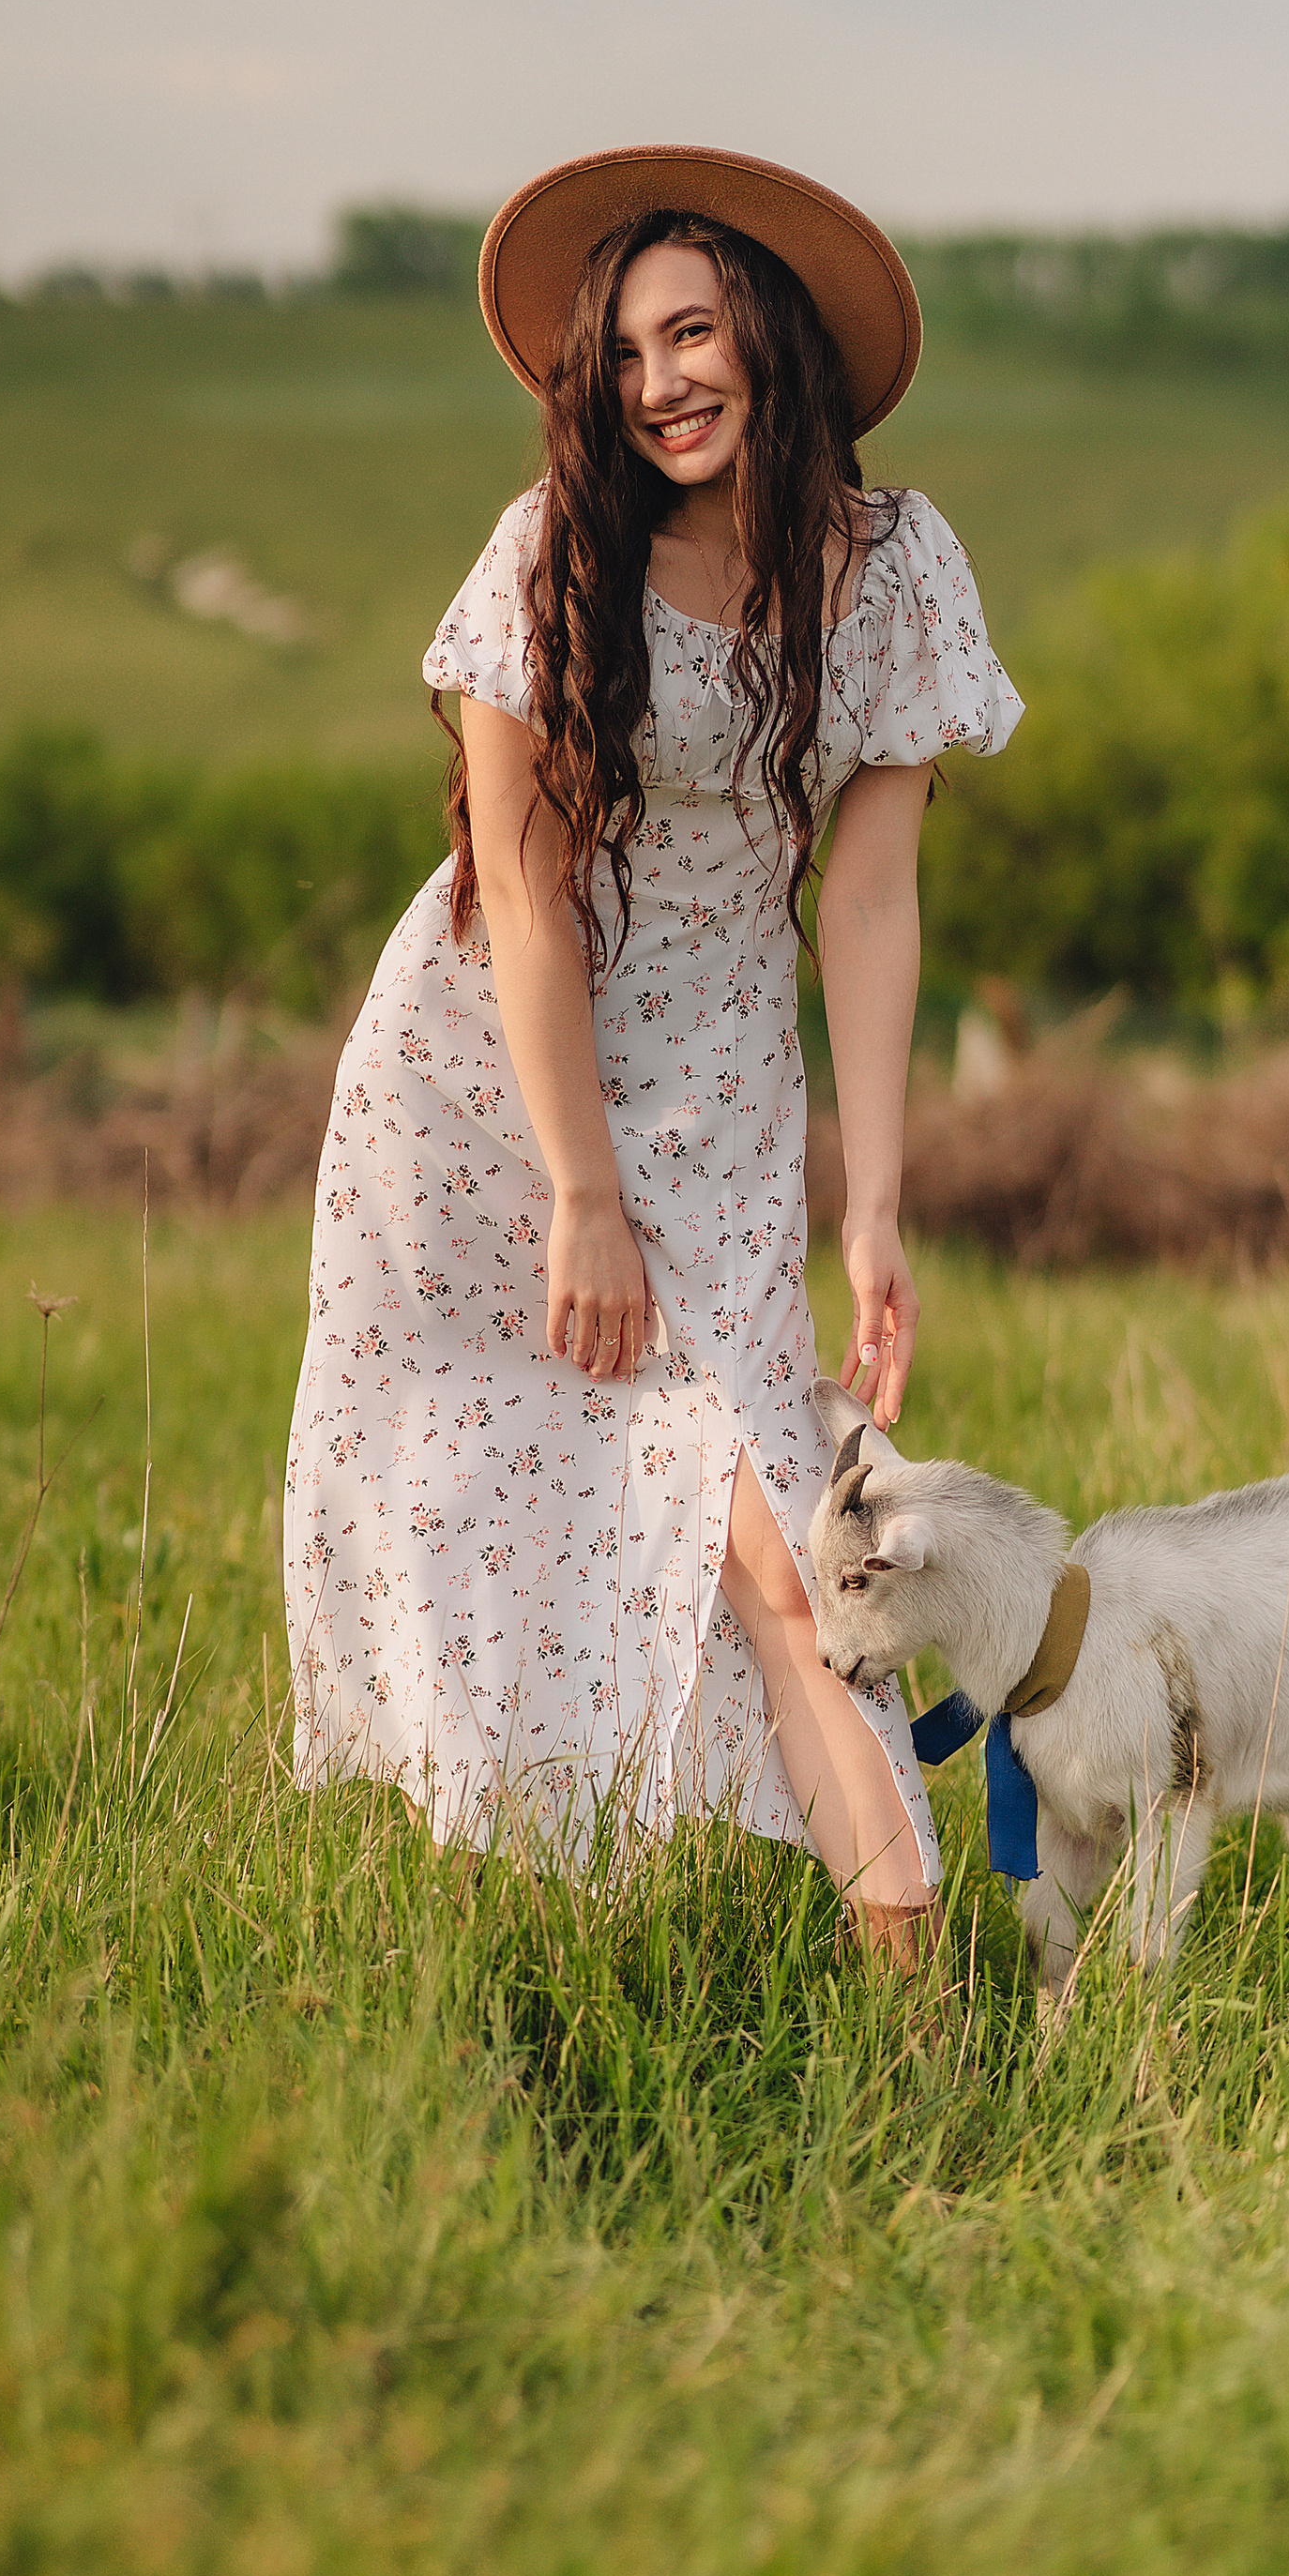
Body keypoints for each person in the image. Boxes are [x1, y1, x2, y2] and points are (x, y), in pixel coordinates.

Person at [281, 144, 1022, 1965]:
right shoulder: (551, 556)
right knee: (470, 1491)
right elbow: (520, 891)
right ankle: (496, 1984)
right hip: (488, 1079)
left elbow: (864, 904)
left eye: (688, 333)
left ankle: (918, 2028)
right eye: (619, 356)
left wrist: (872, 1204)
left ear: (766, 338)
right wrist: (578, 1191)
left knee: (781, 1542)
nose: (658, 382)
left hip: (723, 1090)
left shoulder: (894, 567)